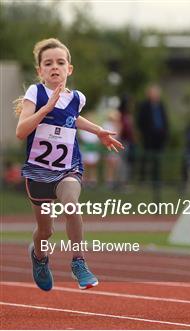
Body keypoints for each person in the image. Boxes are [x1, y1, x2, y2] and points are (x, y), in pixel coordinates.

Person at [14, 38, 123, 291]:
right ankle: (39, 257)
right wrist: (45, 109)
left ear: (69, 69)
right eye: (48, 63)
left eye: (60, 62)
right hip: (38, 173)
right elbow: (21, 131)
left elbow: (73, 119)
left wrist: (99, 131)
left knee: (71, 205)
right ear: (40, 70)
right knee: (46, 232)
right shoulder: (35, 93)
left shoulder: (77, 98)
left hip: (67, 169)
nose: (55, 67)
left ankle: (78, 262)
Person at [137, 84, 169, 185]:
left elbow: (165, 120)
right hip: (148, 137)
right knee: (146, 157)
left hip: (159, 136)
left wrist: (164, 133)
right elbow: (140, 121)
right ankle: (143, 179)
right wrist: (144, 133)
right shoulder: (144, 106)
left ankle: (156, 180)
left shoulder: (161, 105)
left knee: (157, 159)